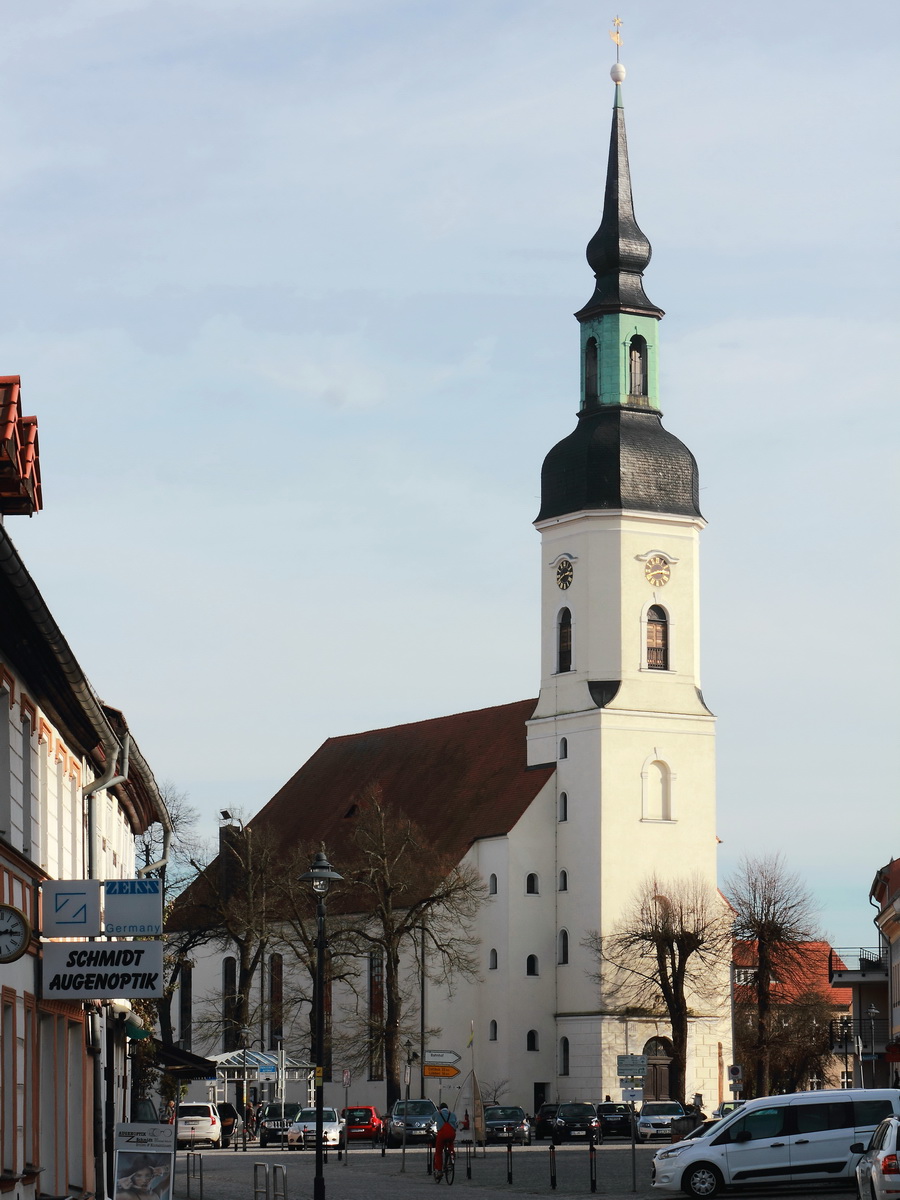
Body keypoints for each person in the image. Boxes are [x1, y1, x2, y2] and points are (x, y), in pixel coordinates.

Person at [433, 1103, 458, 1180]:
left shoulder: (437, 1113)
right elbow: (456, 1124)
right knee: (450, 1144)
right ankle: (452, 1155)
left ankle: (439, 1171)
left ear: (440, 1108)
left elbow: (431, 1122)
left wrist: (427, 1129)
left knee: (439, 1152)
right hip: (451, 1134)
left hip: (442, 1134)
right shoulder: (453, 1114)